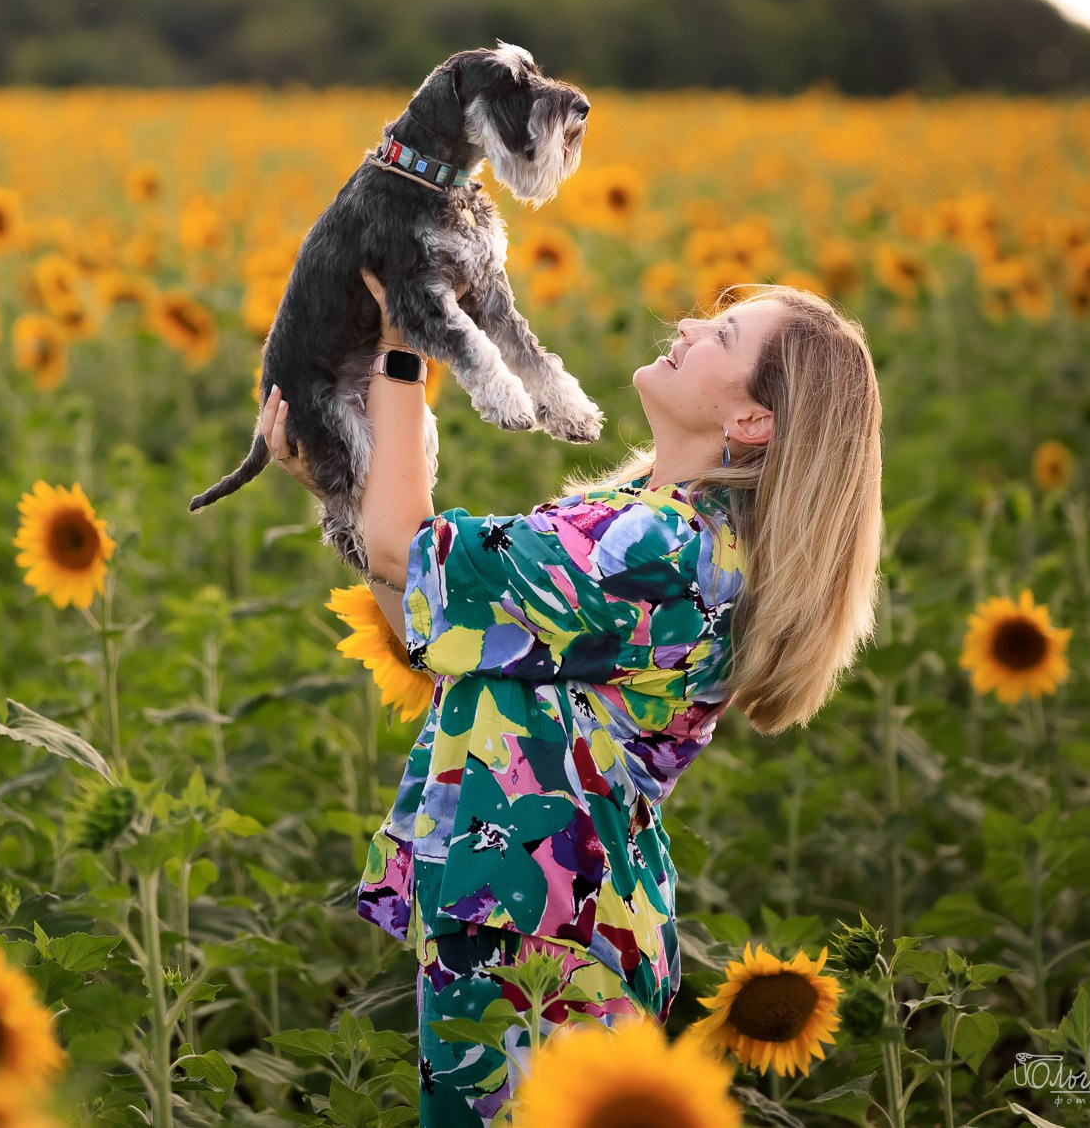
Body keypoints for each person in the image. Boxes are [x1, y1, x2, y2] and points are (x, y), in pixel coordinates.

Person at [255, 270, 884, 1127]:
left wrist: (403, 352)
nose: (693, 325)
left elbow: (407, 548)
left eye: (725, 336)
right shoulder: (660, 524)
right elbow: (446, 641)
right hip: (552, 920)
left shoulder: (657, 548)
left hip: (546, 941)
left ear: (751, 421)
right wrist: (343, 492)